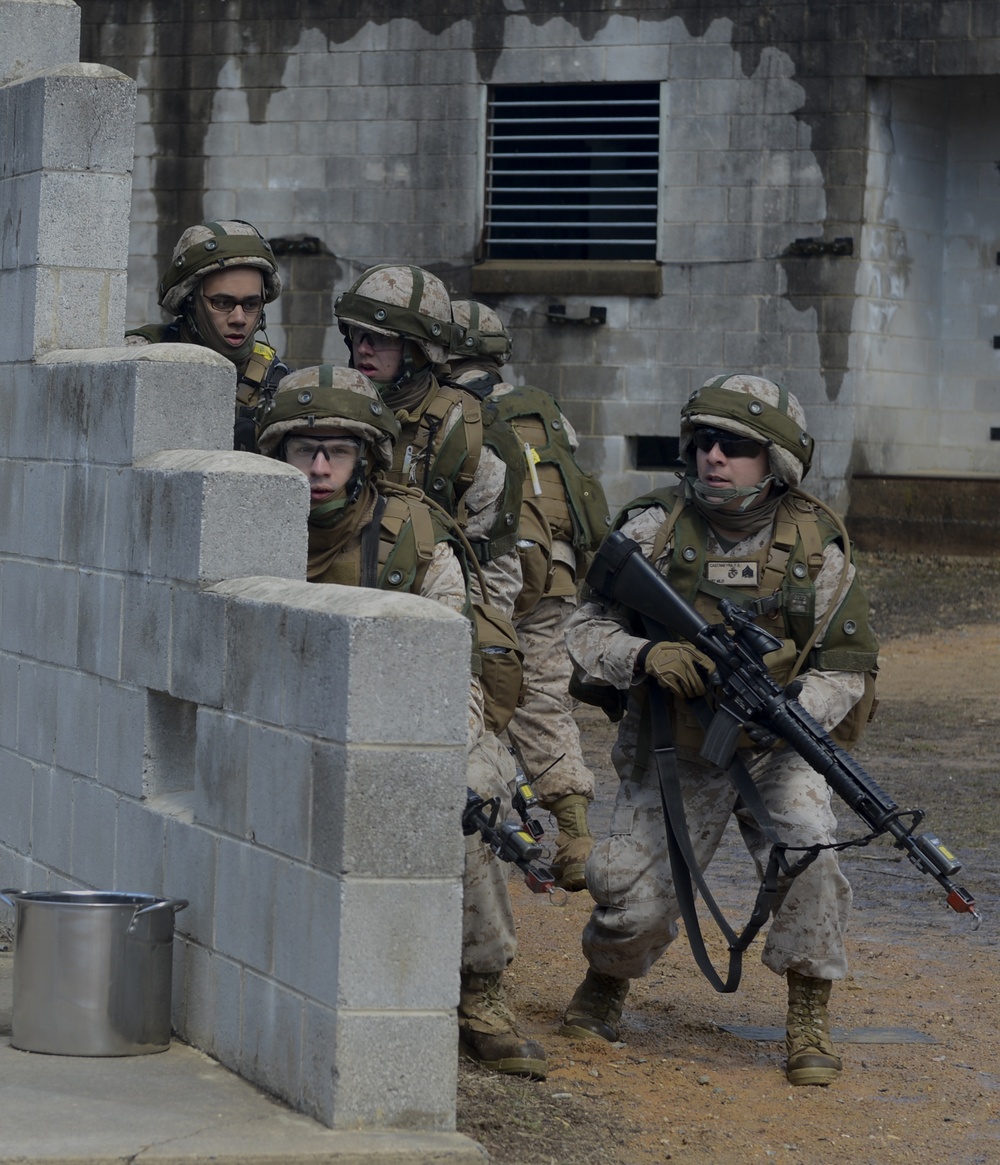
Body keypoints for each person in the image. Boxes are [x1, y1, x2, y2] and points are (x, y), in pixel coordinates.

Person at [560, 374, 879, 1087]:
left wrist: (792, 708)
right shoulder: (653, 529)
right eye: (702, 441)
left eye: (734, 445)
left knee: (813, 850)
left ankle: (808, 1012)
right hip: (677, 744)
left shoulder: (817, 546)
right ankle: (607, 982)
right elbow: (579, 630)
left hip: (778, 747)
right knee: (630, 896)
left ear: (776, 462)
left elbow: (850, 666)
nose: (712, 456)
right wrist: (645, 654)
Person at [255, 364, 547, 1080]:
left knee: (471, 794)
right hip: (278, 722)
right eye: (304, 450)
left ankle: (480, 989)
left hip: (405, 723)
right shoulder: (249, 523)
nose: (319, 467)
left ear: (366, 459)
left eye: (338, 451)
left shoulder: (412, 538)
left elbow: (457, 667)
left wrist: (424, 750)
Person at [448, 300, 611, 892]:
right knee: (545, 698)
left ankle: (478, 832)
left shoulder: (450, 412)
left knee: (481, 698)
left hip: (492, 569)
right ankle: (575, 835)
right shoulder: (544, 407)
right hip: (558, 572)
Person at [332, 266, 524, 625]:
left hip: (429, 616)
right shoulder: (333, 413)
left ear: (422, 349)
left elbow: (495, 579)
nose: (363, 349)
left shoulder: (471, 435)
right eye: (357, 334)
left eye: (380, 338)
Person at [126, 219, 288, 450]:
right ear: (188, 300)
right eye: (222, 302)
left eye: (251, 304)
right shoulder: (140, 359)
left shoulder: (278, 385)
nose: (239, 318)